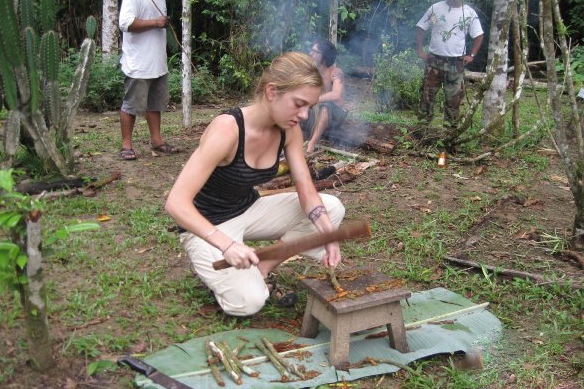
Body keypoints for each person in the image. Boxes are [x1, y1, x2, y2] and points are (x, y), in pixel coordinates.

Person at [165, 52, 346, 317]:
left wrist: (328, 236)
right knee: (249, 303)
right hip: (207, 224)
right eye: (299, 104)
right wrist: (227, 245)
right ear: (272, 91)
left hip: (249, 211)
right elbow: (175, 203)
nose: (305, 115)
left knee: (332, 209)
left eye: (309, 106)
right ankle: (228, 270)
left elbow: (306, 190)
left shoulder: (289, 130)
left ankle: (263, 268)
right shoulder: (227, 129)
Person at [118, 0, 178, 160]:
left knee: (155, 104)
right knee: (131, 105)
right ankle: (126, 145)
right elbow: (125, 23)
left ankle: (157, 141)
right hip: (138, 63)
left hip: (158, 61)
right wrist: (156, 22)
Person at [416, 0, 484, 129]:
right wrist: (420, 51)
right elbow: (421, 27)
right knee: (427, 95)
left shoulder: (469, 13)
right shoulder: (435, 8)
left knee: (453, 98)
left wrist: (472, 55)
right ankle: (421, 128)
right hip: (434, 60)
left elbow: (479, 35)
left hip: (455, 62)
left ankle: (449, 132)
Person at [301, 39, 347, 153]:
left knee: (326, 107)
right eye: (311, 50)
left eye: (315, 51)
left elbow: (336, 95)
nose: (310, 54)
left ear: (324, 55)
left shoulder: (336, 72)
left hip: (334, 115)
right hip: (316, 112)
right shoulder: (313, 71)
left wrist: (314, 100)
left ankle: (312, 144)